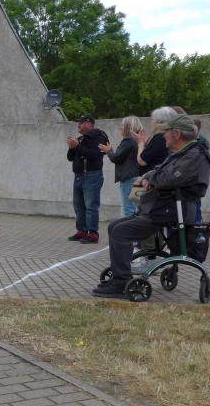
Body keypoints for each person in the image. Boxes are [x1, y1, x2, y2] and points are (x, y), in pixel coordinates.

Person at [93, 113, 210, 298]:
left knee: (121, 231)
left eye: (166, 132)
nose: (163, 136)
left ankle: (121, 283)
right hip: (162, 208)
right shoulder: (183, 153)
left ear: (177, 134)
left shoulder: (195, 155)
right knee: (115, 226)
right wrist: (149, 176)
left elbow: (168, 178)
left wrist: (152, 178)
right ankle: (120, 274)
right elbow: (160, 170)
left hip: (171, 211)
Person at [66, 113, 109, 244]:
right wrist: (72, 147)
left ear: (89, 123)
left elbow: (94, 155)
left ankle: (93, 233)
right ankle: (82, 231)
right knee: (78, 205)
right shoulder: (80, 139)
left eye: (81, 122)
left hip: (92, 175)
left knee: (91, 206)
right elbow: (70, 158)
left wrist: (78, 146)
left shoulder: (99, 136)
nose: (78, 125)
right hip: (78, 176)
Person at [99, 116, 143, 217]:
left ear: (128, 127)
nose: (120, 128)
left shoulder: (128, 141)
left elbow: (116, 158)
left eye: (122, 125)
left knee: (128, 210)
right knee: (135, 208)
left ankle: (127, 227)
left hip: (128, 179)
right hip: (136, 177)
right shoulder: (137, 141)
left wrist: (109, 151)